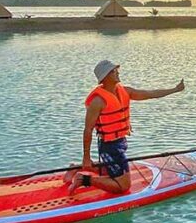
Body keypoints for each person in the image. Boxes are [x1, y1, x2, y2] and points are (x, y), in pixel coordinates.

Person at [67, 60, 185, 195]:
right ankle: (83, 179)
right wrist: (86, 157)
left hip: (120, 142)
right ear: (105, 77)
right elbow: (88, 130)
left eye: (116, 70)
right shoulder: (98, 101)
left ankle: (75, 168)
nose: (117, 72)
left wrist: (175, 90)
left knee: (114, 169)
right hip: (109, 146)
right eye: (113, 71)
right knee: (123, 186)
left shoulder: (125, 91)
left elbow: (150, 93)